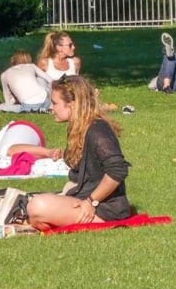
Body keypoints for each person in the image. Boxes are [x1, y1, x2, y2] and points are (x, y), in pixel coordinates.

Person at [16, 74, 134, 229]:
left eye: (54, 103)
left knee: (37, 206)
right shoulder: (77, 128)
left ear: (71, 104)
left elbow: (118, 170)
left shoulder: (97, 130)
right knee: (25, 202)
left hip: (105, 208)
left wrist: (91, 201)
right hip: (81, 197)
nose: (50, 108)